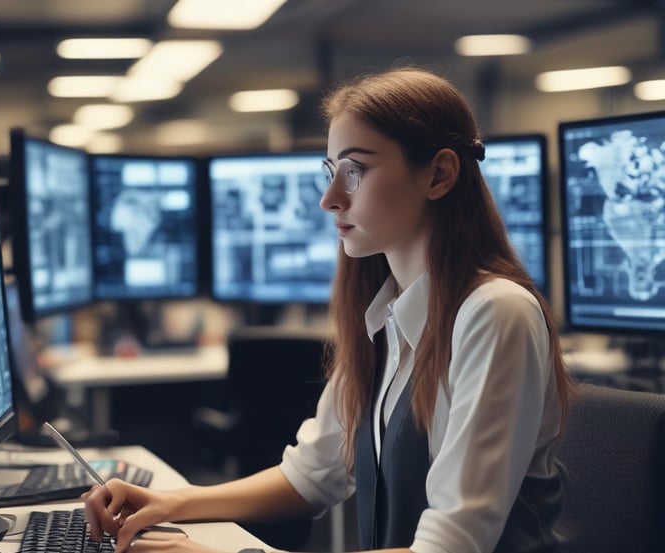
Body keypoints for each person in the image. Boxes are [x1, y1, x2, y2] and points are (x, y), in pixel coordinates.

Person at [82, 66, 576, 553]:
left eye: (354, 171)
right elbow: (310, 476)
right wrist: (171, 503)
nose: (329, 199)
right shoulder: (385, 318)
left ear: (439, 174)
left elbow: (450, 547)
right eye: (330, 172)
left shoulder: (495, 314)